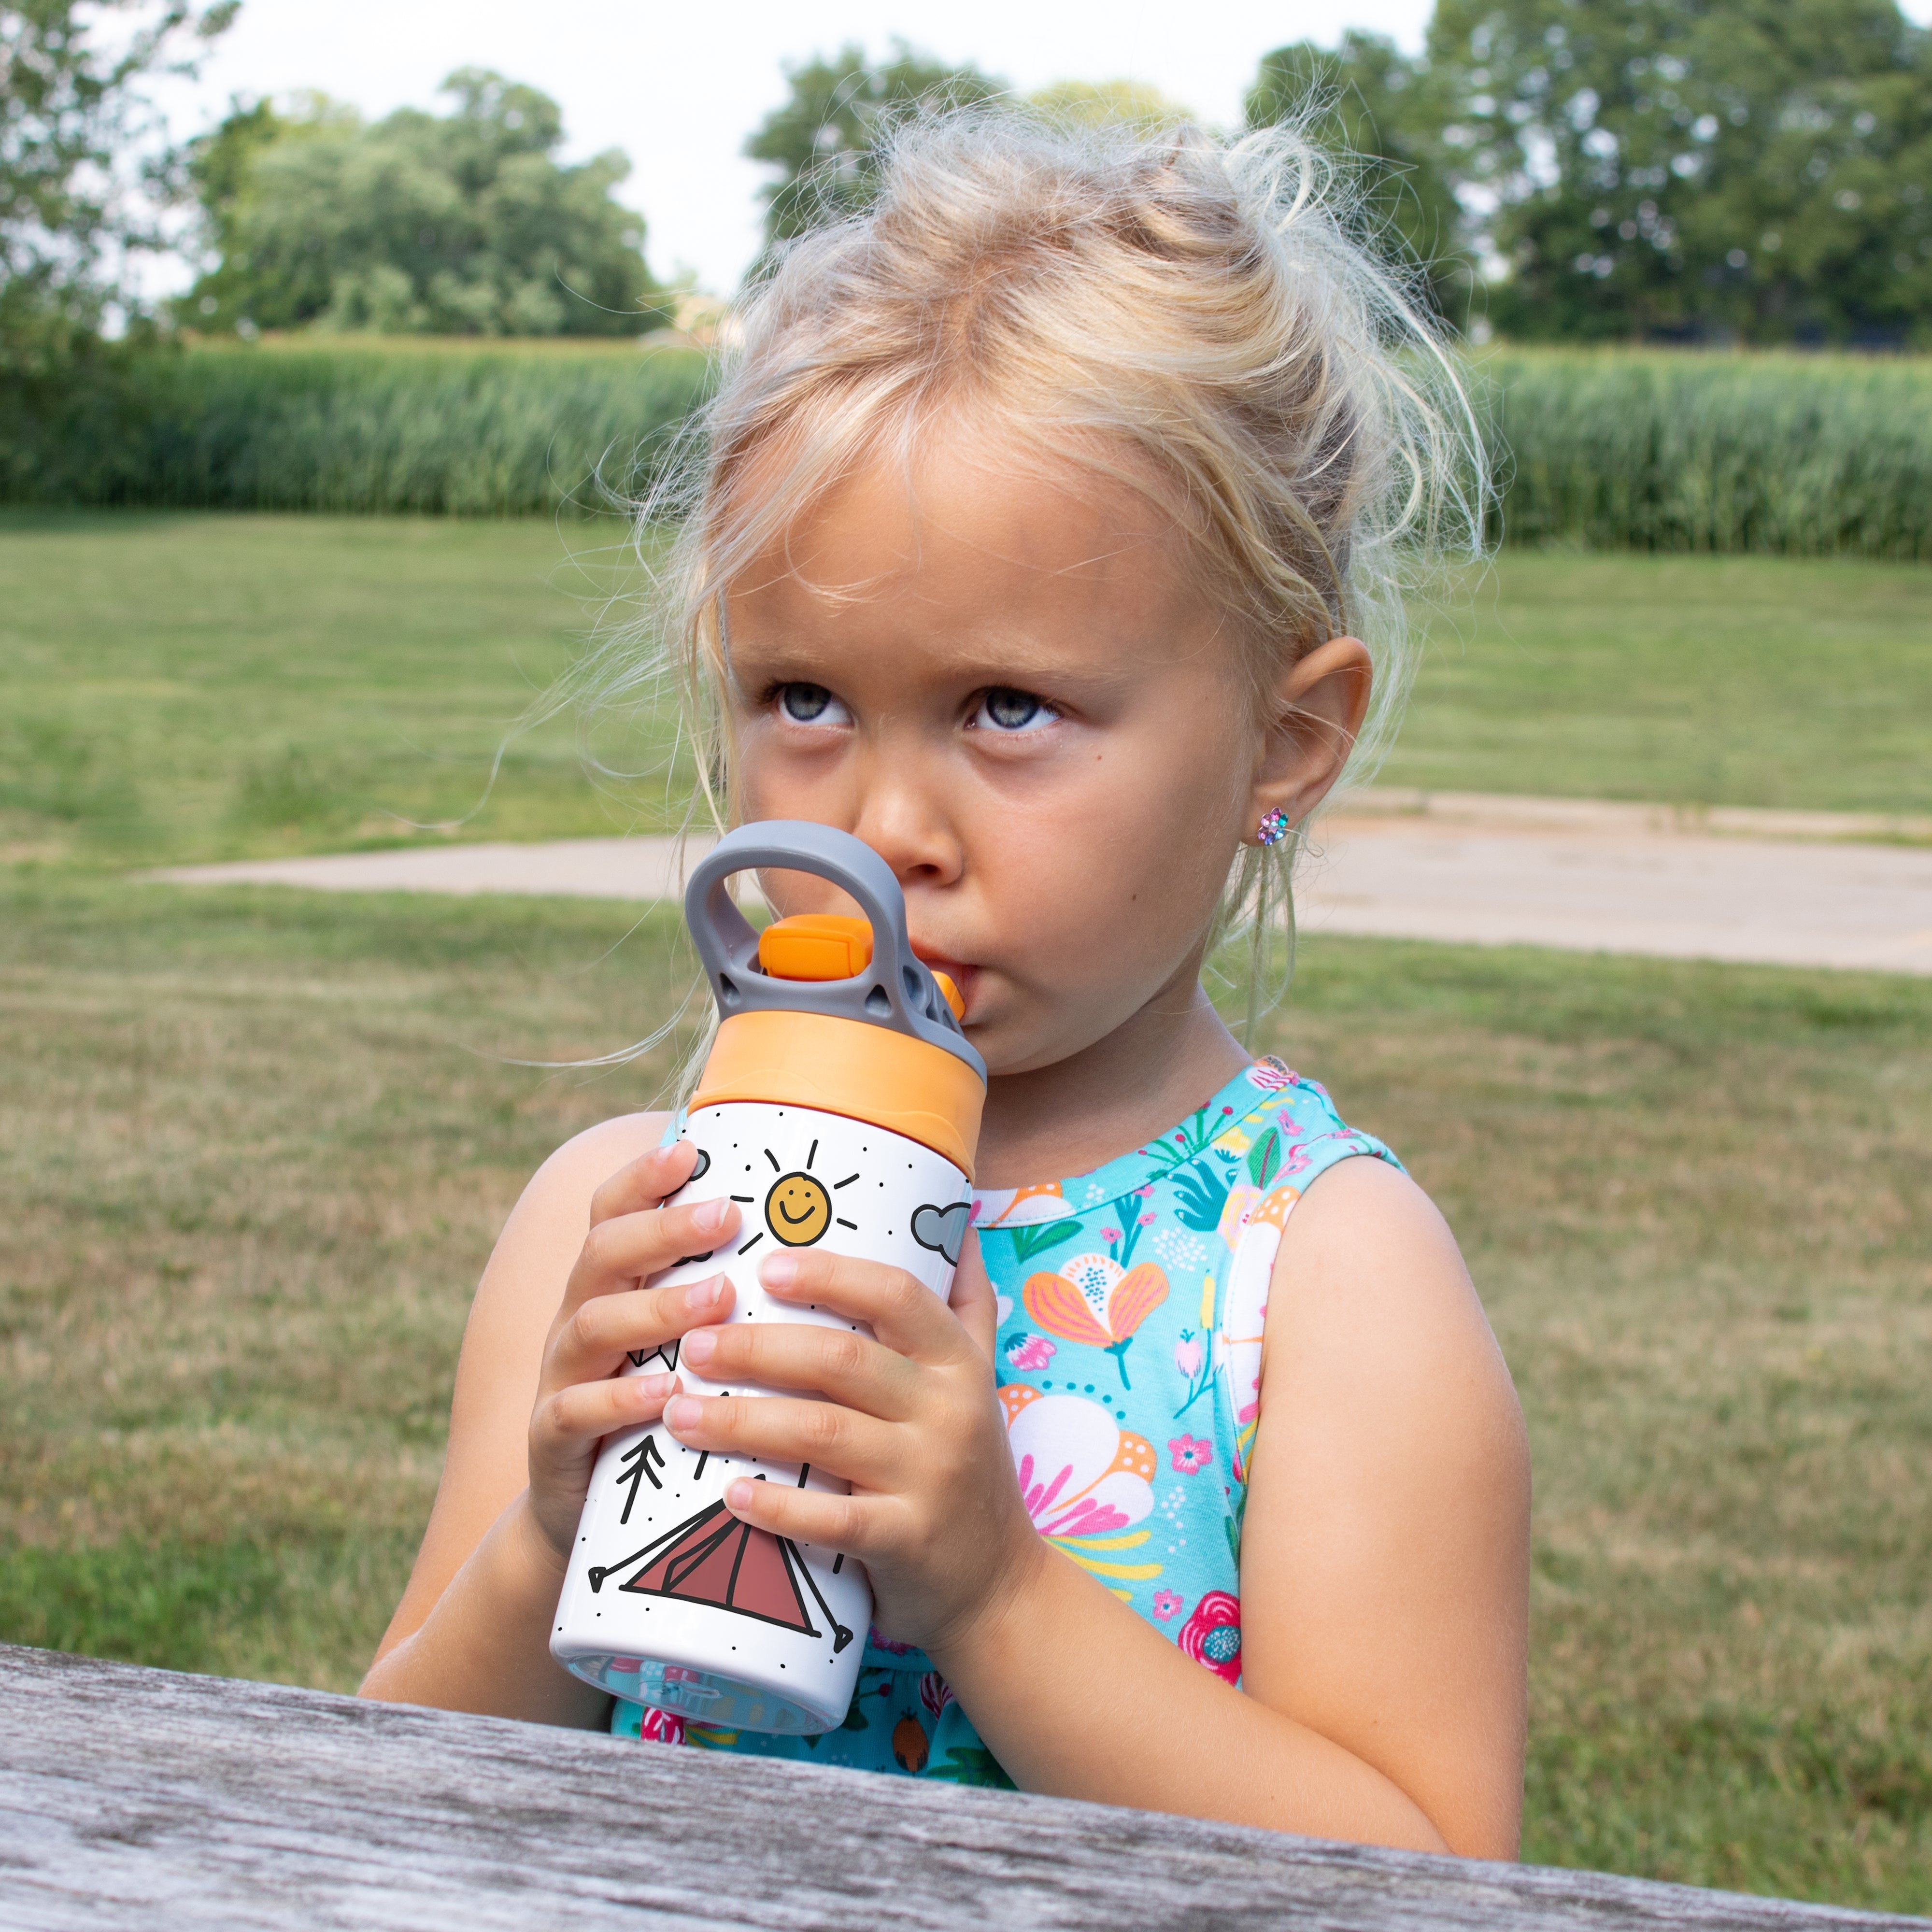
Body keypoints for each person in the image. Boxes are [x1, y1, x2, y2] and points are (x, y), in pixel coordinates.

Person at [361, 108, 1530, 1858]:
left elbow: (1429, 1872)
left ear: (1285, 740)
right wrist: (545, 1537)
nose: (885, 827)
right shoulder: (621, 1226)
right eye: (805, 699)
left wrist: (996, 1590)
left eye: (1007, 709)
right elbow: (378, 1793)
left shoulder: (1321, 1286)